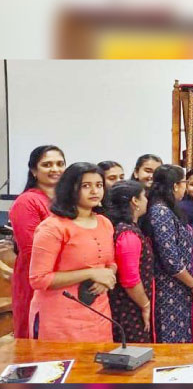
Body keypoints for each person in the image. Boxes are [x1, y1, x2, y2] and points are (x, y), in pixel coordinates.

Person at [28, 163, 116, 341]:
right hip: (60, 318)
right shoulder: (53, 227)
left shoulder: (104, 223)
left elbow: (110, 263)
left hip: (99, 313)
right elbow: (38, 279)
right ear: (69, 189)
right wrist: (91, 273)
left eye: (99, 185)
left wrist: (107, 277)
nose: (94, 191)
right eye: (86, 186)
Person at [144, 164, 193, 343]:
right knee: (172, 340)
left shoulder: (169, 209)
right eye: (185, 182)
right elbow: (171, 259)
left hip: (179, 288)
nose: (185, 187)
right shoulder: (160, 212)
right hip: (169, 289)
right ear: (175, 186)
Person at [9, 145, 66, 338]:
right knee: (37, 339)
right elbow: (31, 250)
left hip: (65, 281)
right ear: (34, 171)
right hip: (37, 282)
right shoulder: (27, 202)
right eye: (47, 165)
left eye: (60, 164)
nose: (55, 169)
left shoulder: (66, 202)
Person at [106, 180, 153, 343]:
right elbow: (130, 280)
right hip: (129, 307)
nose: (147, 200)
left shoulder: (124, 228)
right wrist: (145, 305)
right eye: (144, 196)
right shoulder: (128, 234)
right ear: (135, 201)